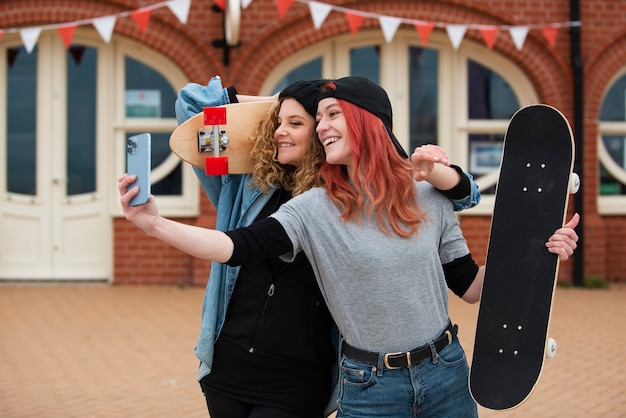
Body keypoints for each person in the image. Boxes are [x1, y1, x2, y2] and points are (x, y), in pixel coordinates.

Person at [121, 76, 578, 417]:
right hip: (369, 387)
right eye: (316, 119)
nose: (321, 127)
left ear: (368, 121)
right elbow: (233, 246)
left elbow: (474, 287)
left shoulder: (429, 197)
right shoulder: (313, 209)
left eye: (331, 114)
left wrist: (537, 254)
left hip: (447, 375)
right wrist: (154, 225)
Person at [173, 76, 482, 418]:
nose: (282, 131)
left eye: (297, 122)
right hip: (235, 365)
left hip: (311, 377)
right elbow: (192, 106)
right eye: (278, 122)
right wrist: (280, 100)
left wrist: (526, 248)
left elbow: (466, 262)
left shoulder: (357, 198)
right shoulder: (250, 188)